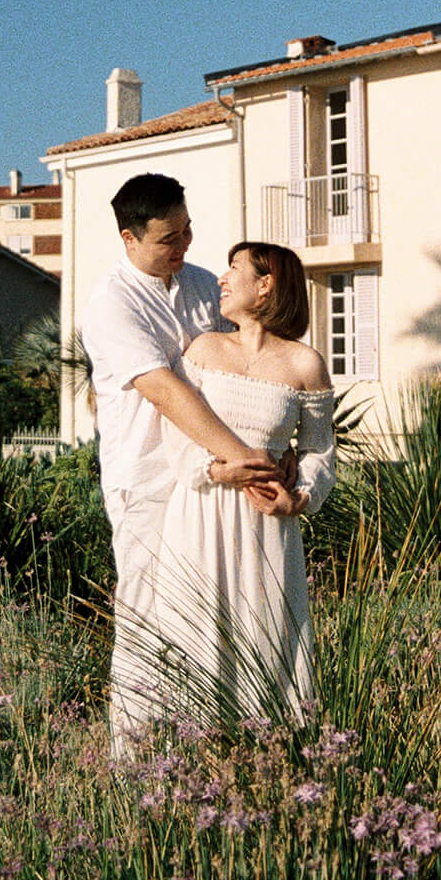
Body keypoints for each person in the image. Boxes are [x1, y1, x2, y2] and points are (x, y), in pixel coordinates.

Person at [80, 172, 290, 757]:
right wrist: (242, 456)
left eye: (188, 229)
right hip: (148, 483)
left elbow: (251, 364)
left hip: (215, 483)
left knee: (221, 610)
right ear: (129, 239)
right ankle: (134, 761)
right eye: (169, 238)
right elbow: (166, 390)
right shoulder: (112, 304)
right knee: (147, 617)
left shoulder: (202, 285)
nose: (185, 246)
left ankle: (217, 747)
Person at [153, 241, 335, 730]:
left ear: (266, 283)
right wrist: (216, 471)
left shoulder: (305, 365)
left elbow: (320, 450)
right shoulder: (204, 349)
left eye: (234, 268)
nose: (222, 278)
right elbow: (176, 428)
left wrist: (298, 499)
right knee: (195, 631)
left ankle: (267, 756)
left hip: (267, 524)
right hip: (201, 512)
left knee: (266, 629)